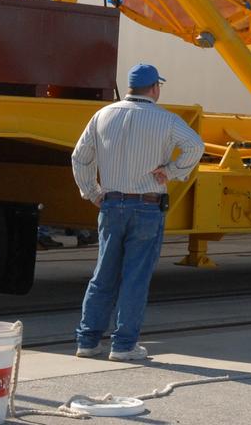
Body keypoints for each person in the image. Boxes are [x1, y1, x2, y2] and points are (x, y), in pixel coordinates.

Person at [72, 63, 204, 360]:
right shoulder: (166, 119)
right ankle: (124, 345)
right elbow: (195, 146)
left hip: (110, 204)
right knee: (135, 277)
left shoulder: (103, 115)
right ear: (155, 88)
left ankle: (88, 341)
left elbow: (80, 157)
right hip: (146, 207)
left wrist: (92, 192)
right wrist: (171, 171)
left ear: (130, 87)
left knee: (103, 275)